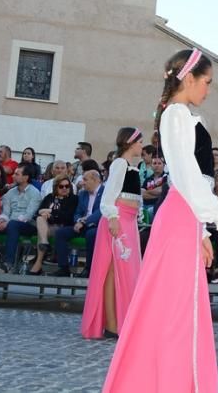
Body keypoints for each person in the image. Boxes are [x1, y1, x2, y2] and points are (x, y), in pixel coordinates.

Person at [102, 49, 218, 393]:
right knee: (175, 311)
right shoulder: (177, 114)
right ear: (189, 78)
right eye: (206, 82)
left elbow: (191, 180)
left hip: (185, 219)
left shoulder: (181, 115)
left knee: (177, 308)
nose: (208, 90)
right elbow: (186, 174)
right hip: (181, 215)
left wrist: (203, 231)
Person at [82, 126, 144, 339]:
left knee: (124, 272)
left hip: (128, 222)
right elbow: (108, 197)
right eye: (139, 141)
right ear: (130, 142)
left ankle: (120, 321)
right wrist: (114, 218)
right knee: (111, 272)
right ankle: (112, 324)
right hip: (118, 222)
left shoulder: (130, 167)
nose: (141, 146)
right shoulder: (119, 164)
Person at [27, 175, 77, 275]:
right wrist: (47, 213)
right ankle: (44, 243)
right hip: (47, 227)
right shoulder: (49, 197)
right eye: (61, 186)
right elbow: (38, 212)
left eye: (67, 186)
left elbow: (67, 216)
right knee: (40, 219)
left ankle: (38, 264)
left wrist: (49, 212)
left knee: (41, 232)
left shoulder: (73, 199)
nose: (64, 189)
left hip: (62, 227)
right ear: (55, 187)